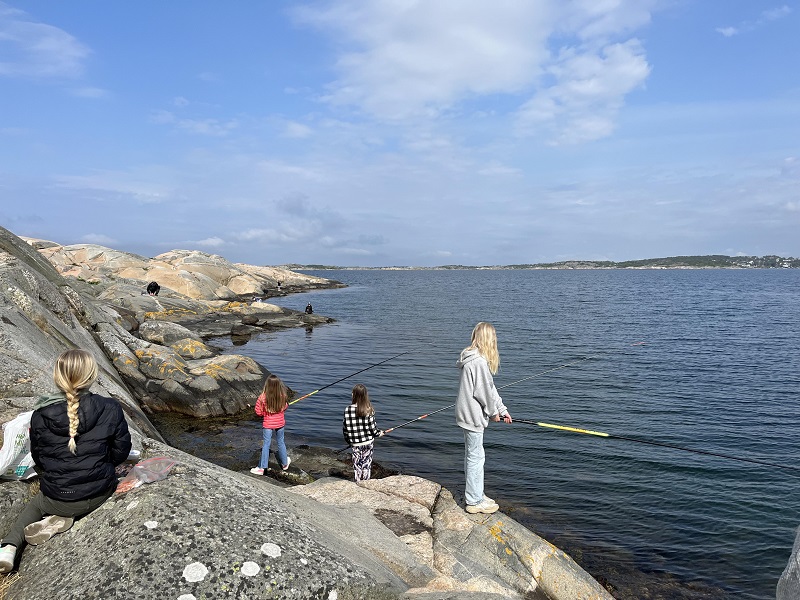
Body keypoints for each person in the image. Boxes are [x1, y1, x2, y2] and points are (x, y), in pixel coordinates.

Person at [0, 349, 132, 574]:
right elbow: (121, 451)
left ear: (57, 377)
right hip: (100, 492)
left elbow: (39, 459)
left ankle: (9, 546)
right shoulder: (110, 407)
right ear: (91, 376)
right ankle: (66, 517)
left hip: (59, 499)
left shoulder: (39, 415)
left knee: (36, 504)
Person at [455, 322, 512, 515]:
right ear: (488, 339)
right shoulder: (478, 362)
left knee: (474, 456)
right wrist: (493, 413)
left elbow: (490, 388)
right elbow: (483, 393)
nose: (495, 341)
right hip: (472, 417)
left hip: (467, 415)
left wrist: (502, 409)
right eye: (493, 337)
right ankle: (474, 500)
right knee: (475, 458)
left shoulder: (473, 358)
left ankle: (476, 493)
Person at [342, 384, 384, 482]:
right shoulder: (369, 409)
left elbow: (345, 429)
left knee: (357, 465)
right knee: (366, 465)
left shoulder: (348, 409)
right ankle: (366, 483)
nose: (351, 394)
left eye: (352, 393)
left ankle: (358, 482)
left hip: (355, 443)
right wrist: (380, 433)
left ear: (355, 395)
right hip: (368, 442)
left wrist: (349, 441)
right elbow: (373, 430)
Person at [250, 375, 290, 475]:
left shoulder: (262, 397)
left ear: (267, 385)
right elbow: (285, 407)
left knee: (266, 444)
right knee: (281, 442)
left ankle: (262, 468)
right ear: (278, 385)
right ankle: (285, 464)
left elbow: (258, 412)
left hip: (268, 424)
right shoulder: (283, 395)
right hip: (280, 423)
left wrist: (265, 413)